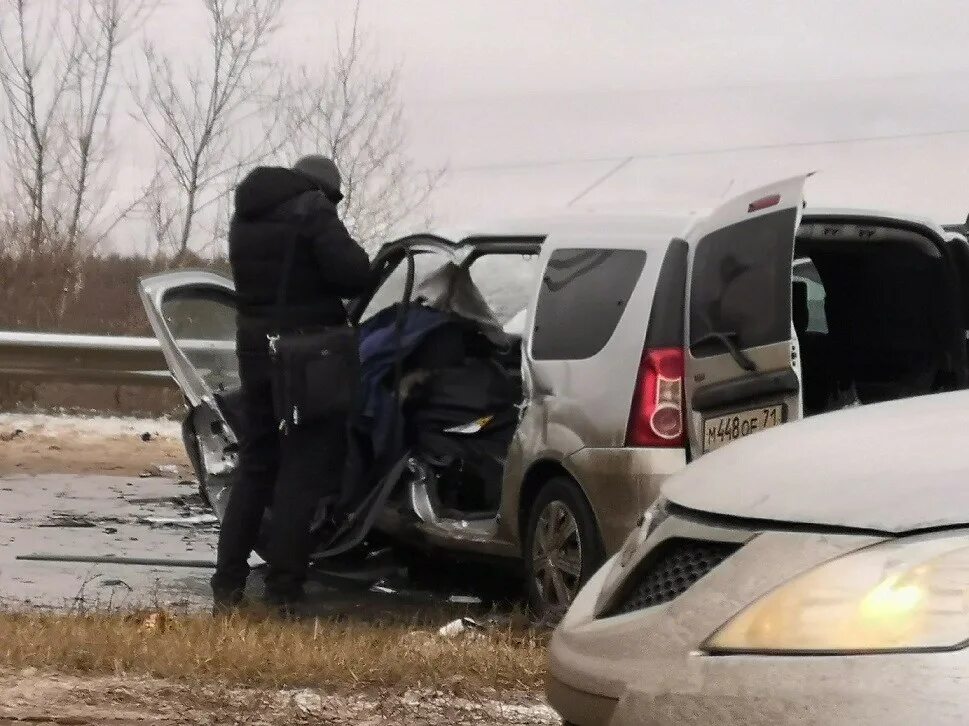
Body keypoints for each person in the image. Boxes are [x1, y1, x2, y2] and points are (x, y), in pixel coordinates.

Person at [211, 155, 371, 614]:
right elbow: (353, 274)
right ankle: (283, 590)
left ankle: (227, 584)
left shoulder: (247, 213)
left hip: (256, 350)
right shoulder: (312, 210)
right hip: (306, 357)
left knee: (257, 464)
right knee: (301, 472)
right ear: (324, 189)